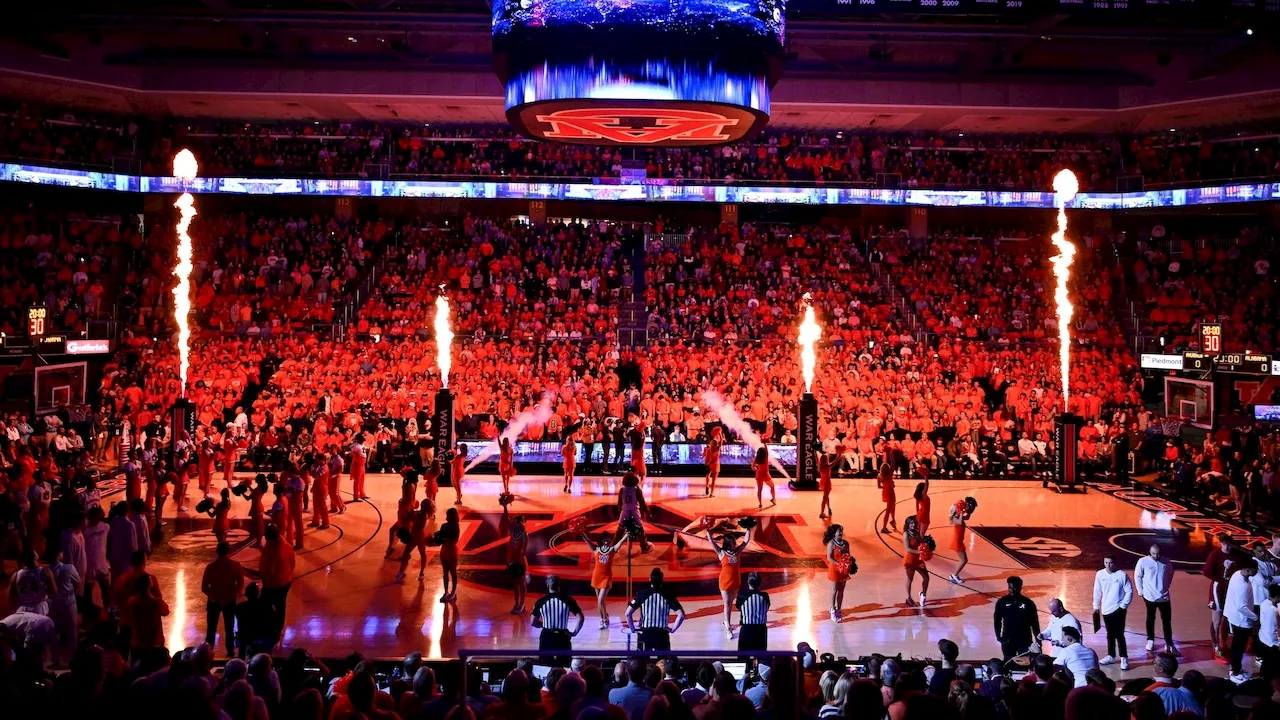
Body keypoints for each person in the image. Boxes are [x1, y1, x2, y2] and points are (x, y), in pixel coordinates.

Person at [707, 522, 752, 640]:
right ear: (728, 544)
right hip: (725, 582)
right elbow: (711, 542)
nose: (735, 544)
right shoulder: (721, 553)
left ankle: (726, 621)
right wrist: (708, 532)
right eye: (733, 543)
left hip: (736, 581)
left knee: (731, 604)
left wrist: (748, 529)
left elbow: (746, 541)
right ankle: (728, 628)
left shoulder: (737, 552)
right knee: (727, 604)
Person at [1092, 554, 1134, 671]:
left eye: (1110, 563)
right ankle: (1111, 655)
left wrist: (1123, 606)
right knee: (1110, 634)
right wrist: (1096, 606)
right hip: (1106, 610)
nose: (1108, 565)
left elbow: (1129, 591)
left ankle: (1124, 657)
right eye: (1106, 563)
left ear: (1114, 563)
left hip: (1118, 610)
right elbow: (1097, 590)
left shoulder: (1122, 575)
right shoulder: (1100, 574)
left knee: (1119, 634)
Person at [625, 568, 685, 651]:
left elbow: (628, 614)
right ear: (662, 580)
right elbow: (681, 615)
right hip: (662, 635)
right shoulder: (668, 595)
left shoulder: (642, 594)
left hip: (645, 634)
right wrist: (672, 630)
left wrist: (633, 629)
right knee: (663, 663)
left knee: (642, 662)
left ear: (650, 579)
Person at [1134, 543, 1178, 655]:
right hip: (1149, 596)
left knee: (1166, 621)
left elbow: (1170, 574)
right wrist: (1141, 591)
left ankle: (1169, 643)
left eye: (1158, 554)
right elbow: (1137, 576)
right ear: (1149, 552)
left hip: (1164, 597)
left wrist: (1166, 587)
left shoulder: (1166, 562)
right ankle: (1150, 639)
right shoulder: (1142, 561)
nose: (1156, 556)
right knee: (1150, 618)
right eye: (1153, 554)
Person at [202, 540, 244, 656]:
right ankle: (230, 652)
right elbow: (240, 584)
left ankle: (207, 652)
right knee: (229, 628)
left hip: (213, 602)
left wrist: (216, 597)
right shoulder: (235, 566)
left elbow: (204, 587)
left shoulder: (210, 567)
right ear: (228, 551)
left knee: (211, 629)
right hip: (229, 601)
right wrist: (230, 596)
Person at [531, 575, 583, 667]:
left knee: (545, 665)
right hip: (562, 636)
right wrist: (574, 633)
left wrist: (543, 624)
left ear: (547, 585)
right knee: (564, 664)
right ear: (559, 585)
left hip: (546, 635)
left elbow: (533, 622)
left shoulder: (540, 601)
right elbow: (580, 618)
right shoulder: (568, 600)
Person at [1201, 531, 1237, 661]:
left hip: (1231, 589)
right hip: (1217, 588)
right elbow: (1206, 572)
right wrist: (1222, 579)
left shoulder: (1236, 555)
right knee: (1217, 619)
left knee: (1226, 618)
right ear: (1221, 543)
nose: (1227, 547)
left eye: (1229, 544)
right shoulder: (1215, 554)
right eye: (1224, 544)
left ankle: (1223, 644)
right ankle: (1216, 646)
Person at [259, 524, 296, 646]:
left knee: (271, 607)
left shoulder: (275, 551)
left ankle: (275, 632)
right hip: (285, 581)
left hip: (274, 584)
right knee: (280, 607)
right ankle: (277, 629)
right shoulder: (286, 546)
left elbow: (269, 571)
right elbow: (292, 563)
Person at [583, 528, 628, 629]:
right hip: (596, 576)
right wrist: (581, 533)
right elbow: (588, 541)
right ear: (602, 540)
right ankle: (602, 618)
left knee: (601, 600)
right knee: (599, 601)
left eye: (608, 538)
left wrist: (626, 535)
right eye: (605, 538)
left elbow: (620, 542)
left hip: (606, 577)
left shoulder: (612, 550)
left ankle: (605, 619)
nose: (607, 540)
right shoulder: (596, 549)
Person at [1224, 556, 1259, 682]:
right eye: (1255, 569)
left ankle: (1236, 669)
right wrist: (1255, 617)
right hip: (1241, 621)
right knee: (1239, 648)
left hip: (1235, 617)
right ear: (1248, 570)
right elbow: (1241, 607)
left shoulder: (1236, 574)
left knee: (1237, 647)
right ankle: (1235, 672)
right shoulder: (1243, 585)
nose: (1257, 572)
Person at [994, 576, 1040, 661]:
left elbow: (1035, 624)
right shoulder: (1002, 602)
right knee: (1008, 662)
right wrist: (998, 636)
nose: (1012, 590)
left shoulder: (1028, 603)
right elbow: (997, 620)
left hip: (1024, 640)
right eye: (1010, 587)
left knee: (1025, 662)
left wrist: (1038, 641)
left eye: (1015, 588)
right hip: (1008, 640)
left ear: (1020, 588)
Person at [48, 550, 80, 666]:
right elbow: (78, 582)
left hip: (53, 604)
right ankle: (73, 659)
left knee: (54, 633)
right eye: (61, 552)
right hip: (69, 603)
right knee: (72, 632)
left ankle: (55, 660)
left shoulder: (46, 571)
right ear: (58, 556)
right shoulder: (69, 568)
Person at [396, 498, 436, 584]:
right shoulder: (424, 514)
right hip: (420, 536)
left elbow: (409, 517)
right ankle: (421, 573)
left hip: (415, 536)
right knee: (422, 554)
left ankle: (400, 574)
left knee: (406, 554)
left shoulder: (421, 514)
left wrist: (410, 511)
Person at [430, 506, 461, 602]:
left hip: (451, 551)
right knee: (445, 572)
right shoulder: (444, 526)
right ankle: (446, 592)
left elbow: (454, 540)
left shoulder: (456, 527)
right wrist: (436, 540)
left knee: (452, 572)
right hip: (444, 551)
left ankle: (453, 592)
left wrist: (442, 539)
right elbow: (441, 539)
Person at [9, 549, 54, 615]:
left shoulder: (16, 575)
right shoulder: (45, 572)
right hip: (39, 609)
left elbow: (11, 596)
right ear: (35, 557)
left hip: (22, 609)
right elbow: (53, 592)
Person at [824, 524, 852, 622]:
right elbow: (829, 558)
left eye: (841, 531)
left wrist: (848, 564)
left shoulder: (846, 543)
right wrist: (839, 564)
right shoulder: (831, 544)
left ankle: (839, 609)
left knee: (841, 590)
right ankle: (832, 609)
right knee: (834, 590)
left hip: (843, 569)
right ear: (834, 533)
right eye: (838, 531)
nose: (840, 533)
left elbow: (848, 555)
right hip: (835, 569)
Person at [617, 472, 650, 552]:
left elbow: (619, 503)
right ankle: (644, 547)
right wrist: (648, 512)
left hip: (624, 512)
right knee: (640, 530)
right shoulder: (637, 491)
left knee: (619, 531)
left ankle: (613, 547)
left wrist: (620, 509)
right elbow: (642, 504)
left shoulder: (622, 490)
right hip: (635, 512)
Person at [737, 572, 770, 652]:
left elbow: (738, 607)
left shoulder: (742, 596)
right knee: (761, 657)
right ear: (760, 583)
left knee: (743, 658)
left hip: (746, 630)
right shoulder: (765, 596)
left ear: (748, 582)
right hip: (761, 630)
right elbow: (767, 606)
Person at [506, 506, 529, 615]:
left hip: (520, 561)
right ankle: (516, 603)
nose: (514, 524)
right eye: (514, 522)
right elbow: (506, 520)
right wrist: (505, 507)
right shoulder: (512, 533)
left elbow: (524, 550)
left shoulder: (524, 535)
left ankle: (522, 603)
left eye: (516, 522)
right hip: (512, 560)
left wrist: (519, 561)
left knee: (521, 583)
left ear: (521, 523)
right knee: (515, 584)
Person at [903, 516, 929, 608]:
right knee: (910, 579)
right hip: (910, 560)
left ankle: (923, 595)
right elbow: (908, 549)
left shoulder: (916, 533)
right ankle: (908, 598)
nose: (913, 525)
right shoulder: (906, 534)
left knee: (926, 578)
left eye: (914, 523)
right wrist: (920, 552)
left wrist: (927, 546)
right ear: (907, 525)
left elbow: (921, 543)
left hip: (918, 560)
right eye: (911, 523)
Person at [948, 497, 975, 584]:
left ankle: (954, 575)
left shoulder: (958, 517)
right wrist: (961, 511)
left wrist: (969, 512)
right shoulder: (954, 519)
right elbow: (959, 522)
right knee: (964, 560)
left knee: (963, 560)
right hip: (957, 542)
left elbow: (966, 518)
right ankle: (954, 575)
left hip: (959, 541)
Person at [876, 458, 896, 534]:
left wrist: (886, 486)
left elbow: (879, 486)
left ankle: (893, 521)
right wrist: (890, 454)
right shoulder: (890, 474)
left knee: (892, 507)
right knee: (888, 510)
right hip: (890, 492)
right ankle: (884, 527)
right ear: (888, 469)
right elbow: (893, 463)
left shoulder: (879, 475)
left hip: (885, 492)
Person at [704, 426, 723, 498]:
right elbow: (721, 442)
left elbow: (705, 456)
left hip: (709, 464)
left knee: (707, 476)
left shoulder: (708, 449)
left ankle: (707, 486)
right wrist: (720, 434)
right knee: (714, 480)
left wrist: (707, 463)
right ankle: (711, 493)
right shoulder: (717, 449)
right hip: (716, 465)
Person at [350, 434, 369, 501]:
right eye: (363, 437)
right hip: (358, 464)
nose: (364, 438)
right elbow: (351, 452)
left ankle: (361, 493)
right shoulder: (355, 446)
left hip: (362, 464)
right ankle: (356, 496)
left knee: (362, 480)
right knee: (357, 480)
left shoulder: (361, 445)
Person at [817, 451, 833, 519]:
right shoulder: (828, 466)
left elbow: (815, 458)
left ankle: (829, 508)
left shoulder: (819, 465)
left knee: (826, 496)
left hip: (823, 481)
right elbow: (836, 460)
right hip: (827, 482)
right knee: (824, 498)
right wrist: (839, 454)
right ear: (826, 460)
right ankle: (821, 513)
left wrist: (814, 451)